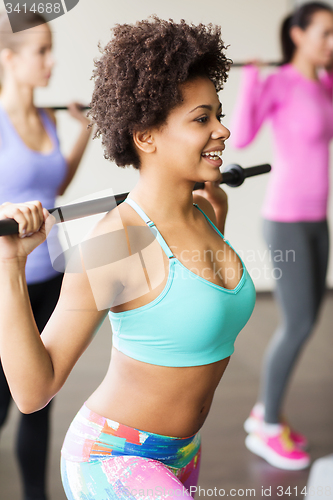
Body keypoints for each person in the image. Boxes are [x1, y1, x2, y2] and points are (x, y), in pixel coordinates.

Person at [0, 17, 256, 499]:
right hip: (113, 457)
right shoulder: (116, 241)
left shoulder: (209, 209)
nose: (223, 129)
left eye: (218, 114)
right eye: (202, 119)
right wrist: (9, 266)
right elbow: (34, 391)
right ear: (146, 137)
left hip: (184, 454)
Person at [230, 1, 333, 471]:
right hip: (285, 219)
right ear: (298, 34)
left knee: (309, 319)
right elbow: (245, 136)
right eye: (325, 33)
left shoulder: (326, 83)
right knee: (296, 323)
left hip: (316, 218)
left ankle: (264, 412)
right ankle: (267, 425)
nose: (331, 43)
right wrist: (251, 82)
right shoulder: (280, 82)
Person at [0, 11, 91, 500]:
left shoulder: (49, 118)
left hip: (51, 277)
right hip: (4, 286)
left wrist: (85, 132)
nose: (52, 61)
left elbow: (50, 187)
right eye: (41, 51)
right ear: (7, 59)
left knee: (40, 400)